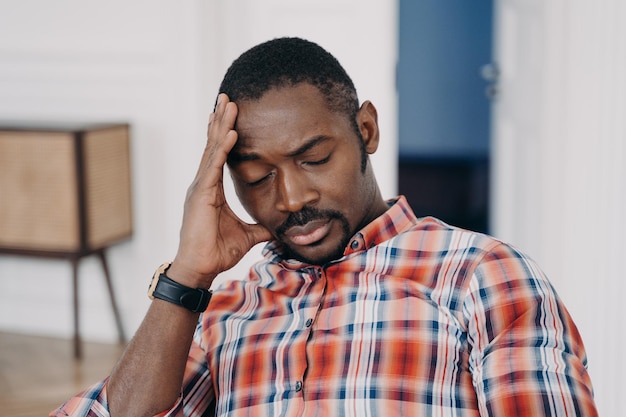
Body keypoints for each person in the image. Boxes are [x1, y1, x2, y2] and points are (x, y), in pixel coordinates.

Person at [52, 37, 598, 417]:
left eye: (314, 159)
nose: (291, 199)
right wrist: (187, 276)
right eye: (258, 176)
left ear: (366, 129)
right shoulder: (223, 309)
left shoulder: (482, 275)